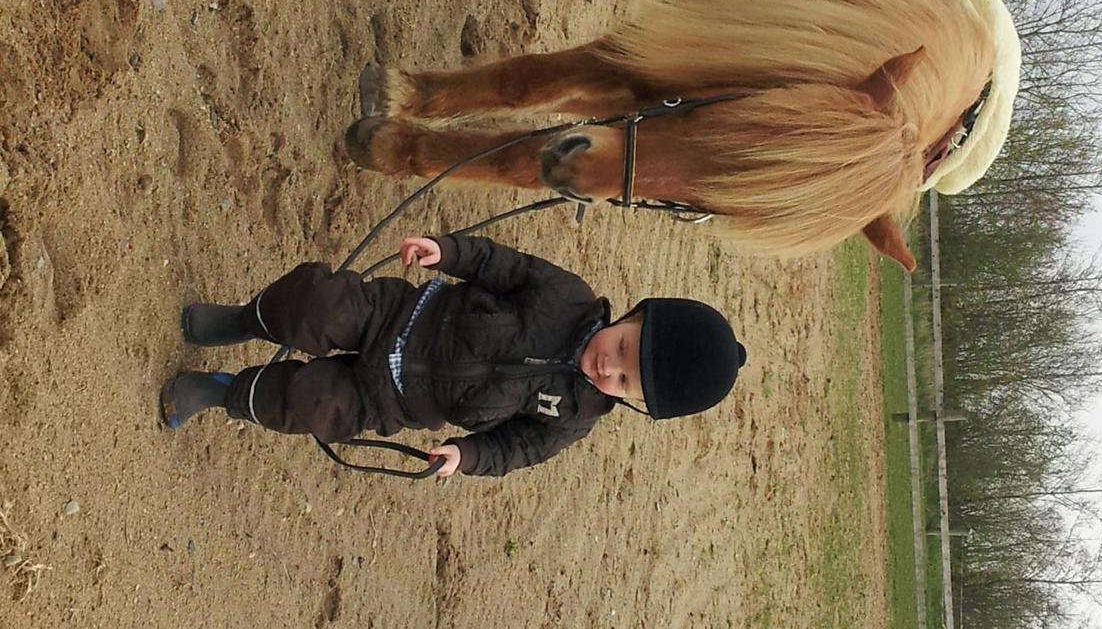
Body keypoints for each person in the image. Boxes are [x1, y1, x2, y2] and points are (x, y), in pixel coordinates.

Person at [160, 234, 747, 477]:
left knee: (312, 404)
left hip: (393, 400)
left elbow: (513, 448)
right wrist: (449, 252)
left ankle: (224, 392)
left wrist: (464, 455)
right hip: (400, 316)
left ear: (630, 402)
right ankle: (246, 318)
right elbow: (503, 265)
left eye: (623, 381)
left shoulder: (573, 418)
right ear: (631, 316)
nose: (607, 367)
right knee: (318, 304)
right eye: (621, 348)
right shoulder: (565, 297)